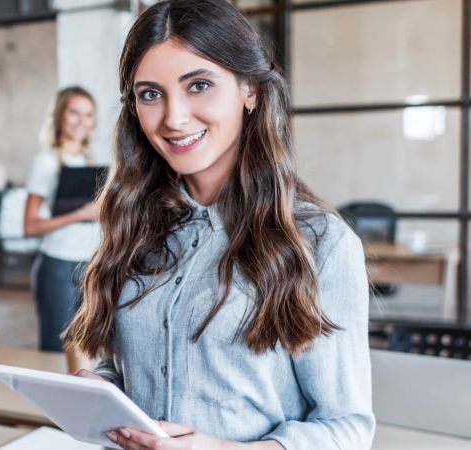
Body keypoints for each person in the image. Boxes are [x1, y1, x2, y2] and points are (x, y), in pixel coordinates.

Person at [64, 1, 375, 449]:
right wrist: (105, 390)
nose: (174, 117)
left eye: (200, 85)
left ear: (249, 90)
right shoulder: (139, 226)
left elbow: (348, 429)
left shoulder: (320, 243)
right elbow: (142, 368)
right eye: (150, 94)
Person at [24, 86, 101, 362]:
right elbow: (30, 226)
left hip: (88, 265)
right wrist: (80, 214)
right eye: (74, 113)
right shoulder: (45, 162)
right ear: (59, 116)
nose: (82, 121)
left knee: (84, 348)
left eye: (88, 115)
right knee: (55, 350)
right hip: (57, 265)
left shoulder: (88, 162)